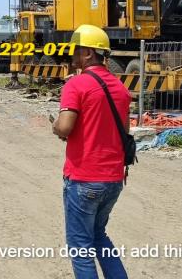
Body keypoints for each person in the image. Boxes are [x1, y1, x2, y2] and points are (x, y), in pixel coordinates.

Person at [52, 25, 132, 279]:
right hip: (113, 179)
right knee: (99, 236)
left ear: (87, 53)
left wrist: (55, 126)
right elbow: (122, 131)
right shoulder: (119, 88)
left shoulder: (77, 85)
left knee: (80, 246)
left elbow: (65, 126)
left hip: (84, 178)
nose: (72, 55)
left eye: (75, 50)